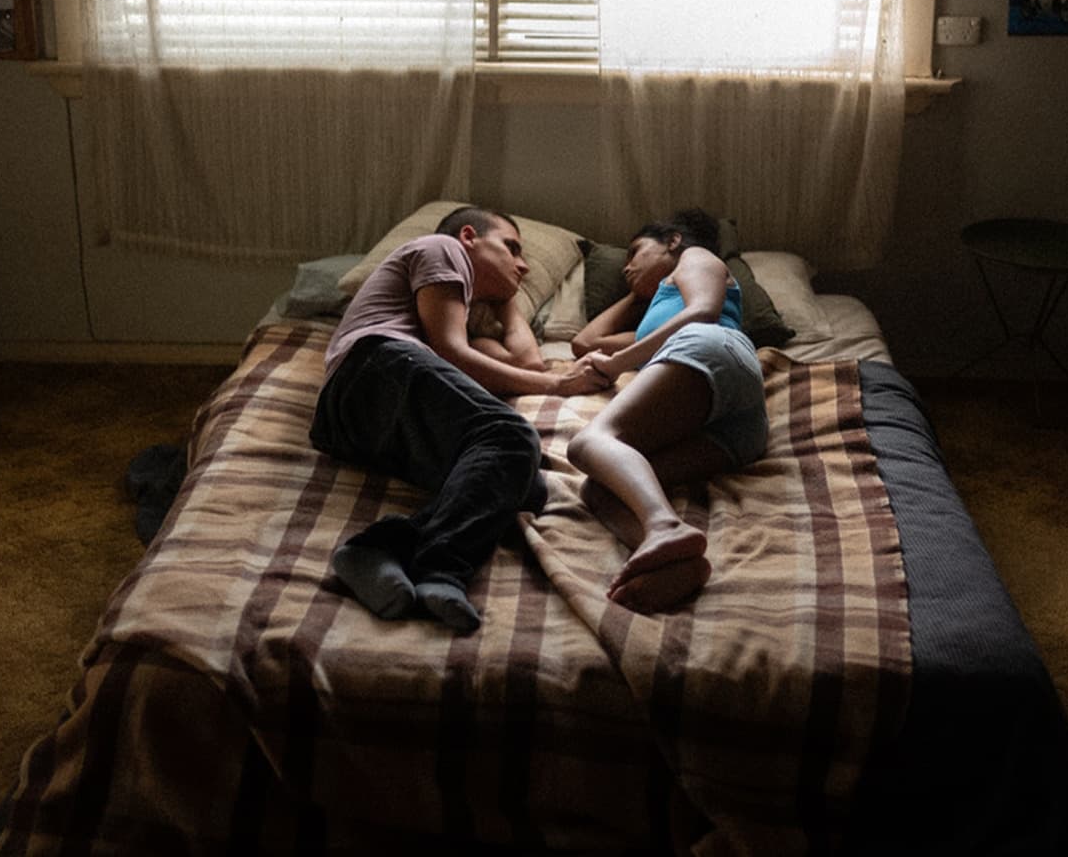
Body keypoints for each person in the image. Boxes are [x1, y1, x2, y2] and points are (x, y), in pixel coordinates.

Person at [311, 205, 610, 633]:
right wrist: (560, 386)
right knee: (511, 436)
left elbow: (528, 362)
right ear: (469, 236)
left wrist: (507, 300)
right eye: (511, 248)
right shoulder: (442, 248)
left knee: (522, 486)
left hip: (356, 419)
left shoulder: (458, 309)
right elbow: (452, 353)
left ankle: (379, 547)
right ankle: (441, 568)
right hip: (373, 369)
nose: (524, 265)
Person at [566, 209, 767, 613]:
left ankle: (664, 525)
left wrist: (618, 364)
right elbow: (584, 343)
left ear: (673, 241)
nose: (626, 266)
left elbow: (703, 311)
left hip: (711, 349)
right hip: (738, 427)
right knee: (601, 489)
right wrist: (638, 292)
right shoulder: (657, 320)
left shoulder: (696, 257)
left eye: (635, 252)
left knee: (588, 443)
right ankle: (677, 562)